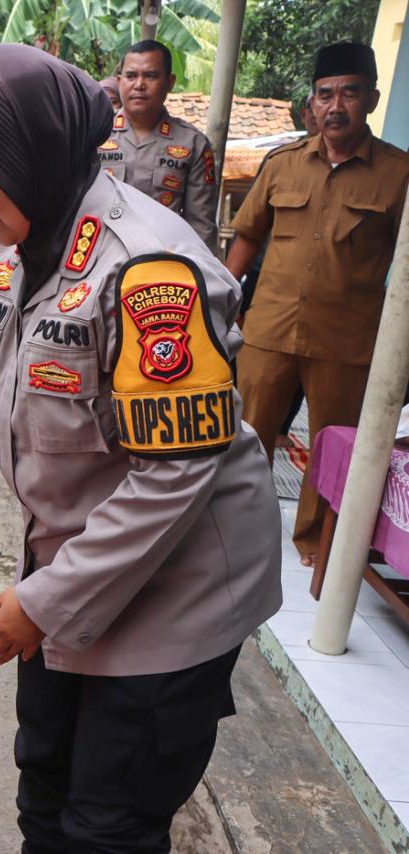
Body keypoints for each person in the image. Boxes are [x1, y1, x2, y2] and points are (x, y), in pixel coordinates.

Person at [0, 45, 282, 851]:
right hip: (71, 567)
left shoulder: (150, 270)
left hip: (174, 590)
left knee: (111, 824)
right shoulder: (6, 260)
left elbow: (176, 475)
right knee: (45, 788)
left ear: (34, 154)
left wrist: (42, 603)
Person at [227, 42, 409, 567]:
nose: (336, 106)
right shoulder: (282, 165)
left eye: (349, 94)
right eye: (325, 94)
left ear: (371, 99)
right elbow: (246, 237)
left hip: (346, 341)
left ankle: (312, 541)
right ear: (312, 101)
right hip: (269, 331)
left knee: (332, 448)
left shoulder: (397, 176)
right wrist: (219, 303)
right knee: (246, 435)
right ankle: (236, 530)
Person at [99, 40, 218, 250]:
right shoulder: (94, 134)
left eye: (151, 76)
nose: (139, 85)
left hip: (161, 263)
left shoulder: (192, 143)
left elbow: (201, 226)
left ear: (170, 82)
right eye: (131, 76)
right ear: (119, 81)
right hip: (99, 258)